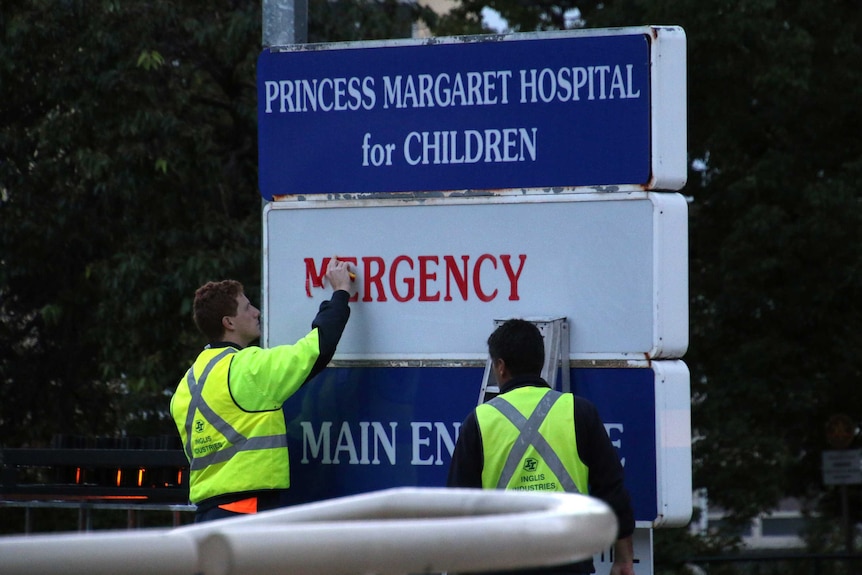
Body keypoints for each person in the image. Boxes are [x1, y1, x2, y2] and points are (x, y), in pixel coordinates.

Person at [170, 256, 353, 522]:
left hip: (207, 515)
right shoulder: (246, 368)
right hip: (246, 511)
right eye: (247, 307)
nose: (256, 311)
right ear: (228, 323)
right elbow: (316, 349)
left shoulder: (187, 384)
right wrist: (340, 293)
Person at [447, 319, 636, 575]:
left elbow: (459, 509)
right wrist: (624, 559)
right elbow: (612, 491)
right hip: (569, 560)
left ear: (500, 367)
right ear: (540, 362)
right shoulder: (579, 412)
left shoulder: (479, 421)